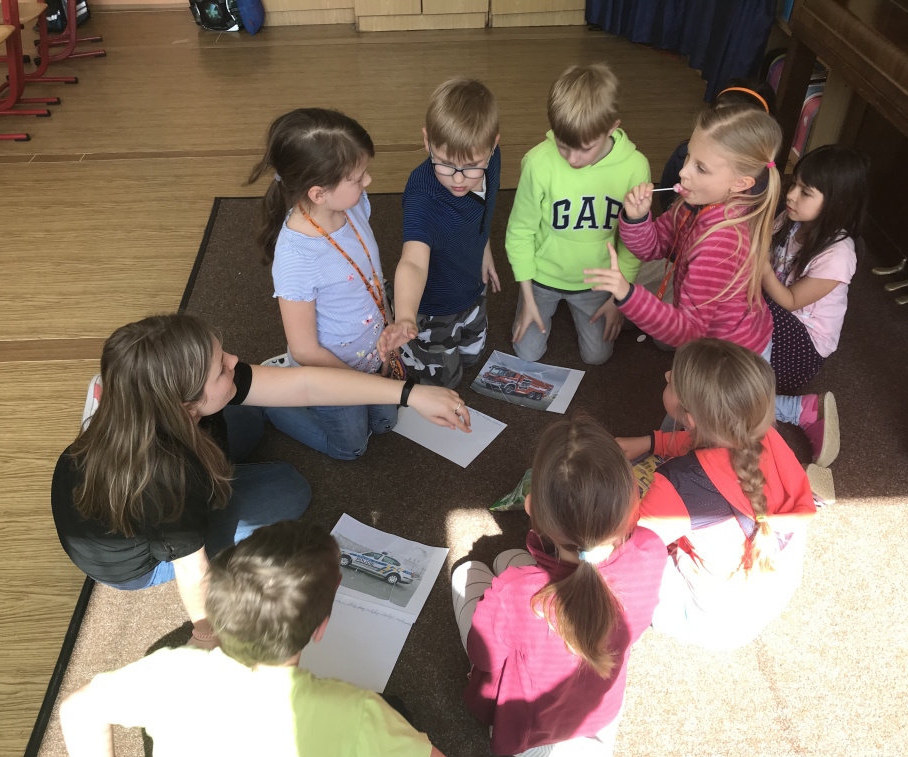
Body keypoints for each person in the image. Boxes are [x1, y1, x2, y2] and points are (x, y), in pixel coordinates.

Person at [51, 314, 470, 648]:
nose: (235, 360)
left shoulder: (155, 408)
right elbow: (192, 571)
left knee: (247, 415)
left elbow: (306, 384)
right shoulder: (166, 478)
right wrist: (206, 635)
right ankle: (217, 475)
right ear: (186, 406)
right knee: (289, 488)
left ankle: (221, 447)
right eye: (221, 368)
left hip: (165, 468)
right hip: (143, 562)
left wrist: (410, 394)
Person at [58, 521, 460, 757]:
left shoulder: (169, 673)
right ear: (320, 627)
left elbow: (76, 711)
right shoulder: (360, 716)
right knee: (398, 713)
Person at [451, 415, 665, 757]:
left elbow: (483, 657)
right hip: (602, 705)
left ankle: (543, 751)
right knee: (508, 559)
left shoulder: (512, 594)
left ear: (531, 508)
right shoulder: (651, 550)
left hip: (531, 722)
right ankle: (589, 739)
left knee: (467, 572)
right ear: (631, 506)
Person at [616, 339, 817, 652]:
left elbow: (627, 546)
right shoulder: (765, 434)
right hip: (769, 590)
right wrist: (653, 442)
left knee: (608, 563)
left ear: (691, 419)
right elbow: (712, 443)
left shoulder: (677, 483)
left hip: (712, 624)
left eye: (673, 382)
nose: (667, 375)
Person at [247, 108, 401, 460]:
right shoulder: (297, 257)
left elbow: (371, 278)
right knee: (352, 448)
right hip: (329, 370)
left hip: (373, 351)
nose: (368, 182)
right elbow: (305, 349)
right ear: (319, 194)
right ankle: (272, 397)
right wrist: (362, 383)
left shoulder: (353, 205)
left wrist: (389, 328)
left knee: (385, 424)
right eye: (358, 178)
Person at [583, 105, 780, 359]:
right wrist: (637, 218)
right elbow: (653, 247)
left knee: (678, 384)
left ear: (740, 183)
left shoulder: (720, 244)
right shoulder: (694, 205)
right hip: (706, 335)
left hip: (728, 359)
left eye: (701, 168)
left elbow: (689, 332)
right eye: (688, 156)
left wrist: (626, 294)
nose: (683, 172)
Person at [506, 62, 651, 366]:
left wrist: (619, 299)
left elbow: (633, 243)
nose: (572, 159)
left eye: (584, 148)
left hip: (596, 281)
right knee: (527, 354)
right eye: (562, 146)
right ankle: (538, 301)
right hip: (542, 278)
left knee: (597, 356)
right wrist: (528, 297)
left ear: (611, 128)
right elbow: (520, 231)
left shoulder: (635, 167)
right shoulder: (538, 163)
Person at [376, 77, 501, 388]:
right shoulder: (422, 197)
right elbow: (413, 261)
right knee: (445, 382)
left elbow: (485, 208)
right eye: (445, 164)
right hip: (433, 307)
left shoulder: (492, 159)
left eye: (471, 166)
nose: (458, 179)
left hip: (472, 285)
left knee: (472, 356)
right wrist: (406, 316)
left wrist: (484, 247)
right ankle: (396, 307)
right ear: (427, 141)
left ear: (493, 146)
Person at [765, 145, 869, 469]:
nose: (791, 195)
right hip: (776, 321)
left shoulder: (839, 254)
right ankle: (785, 407)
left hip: (802, 351)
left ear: (837, 203)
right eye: (794, 184)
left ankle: (773, 406)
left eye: (805, 192)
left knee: (746, 306)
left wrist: (756, 264)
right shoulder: (792, 219)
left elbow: (790, 300)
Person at [656, 78, 777, 213]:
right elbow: (666, 201)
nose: (682, 172)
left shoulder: (763, 187)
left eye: (701, 169)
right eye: (716, 116)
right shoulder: (682, 154)